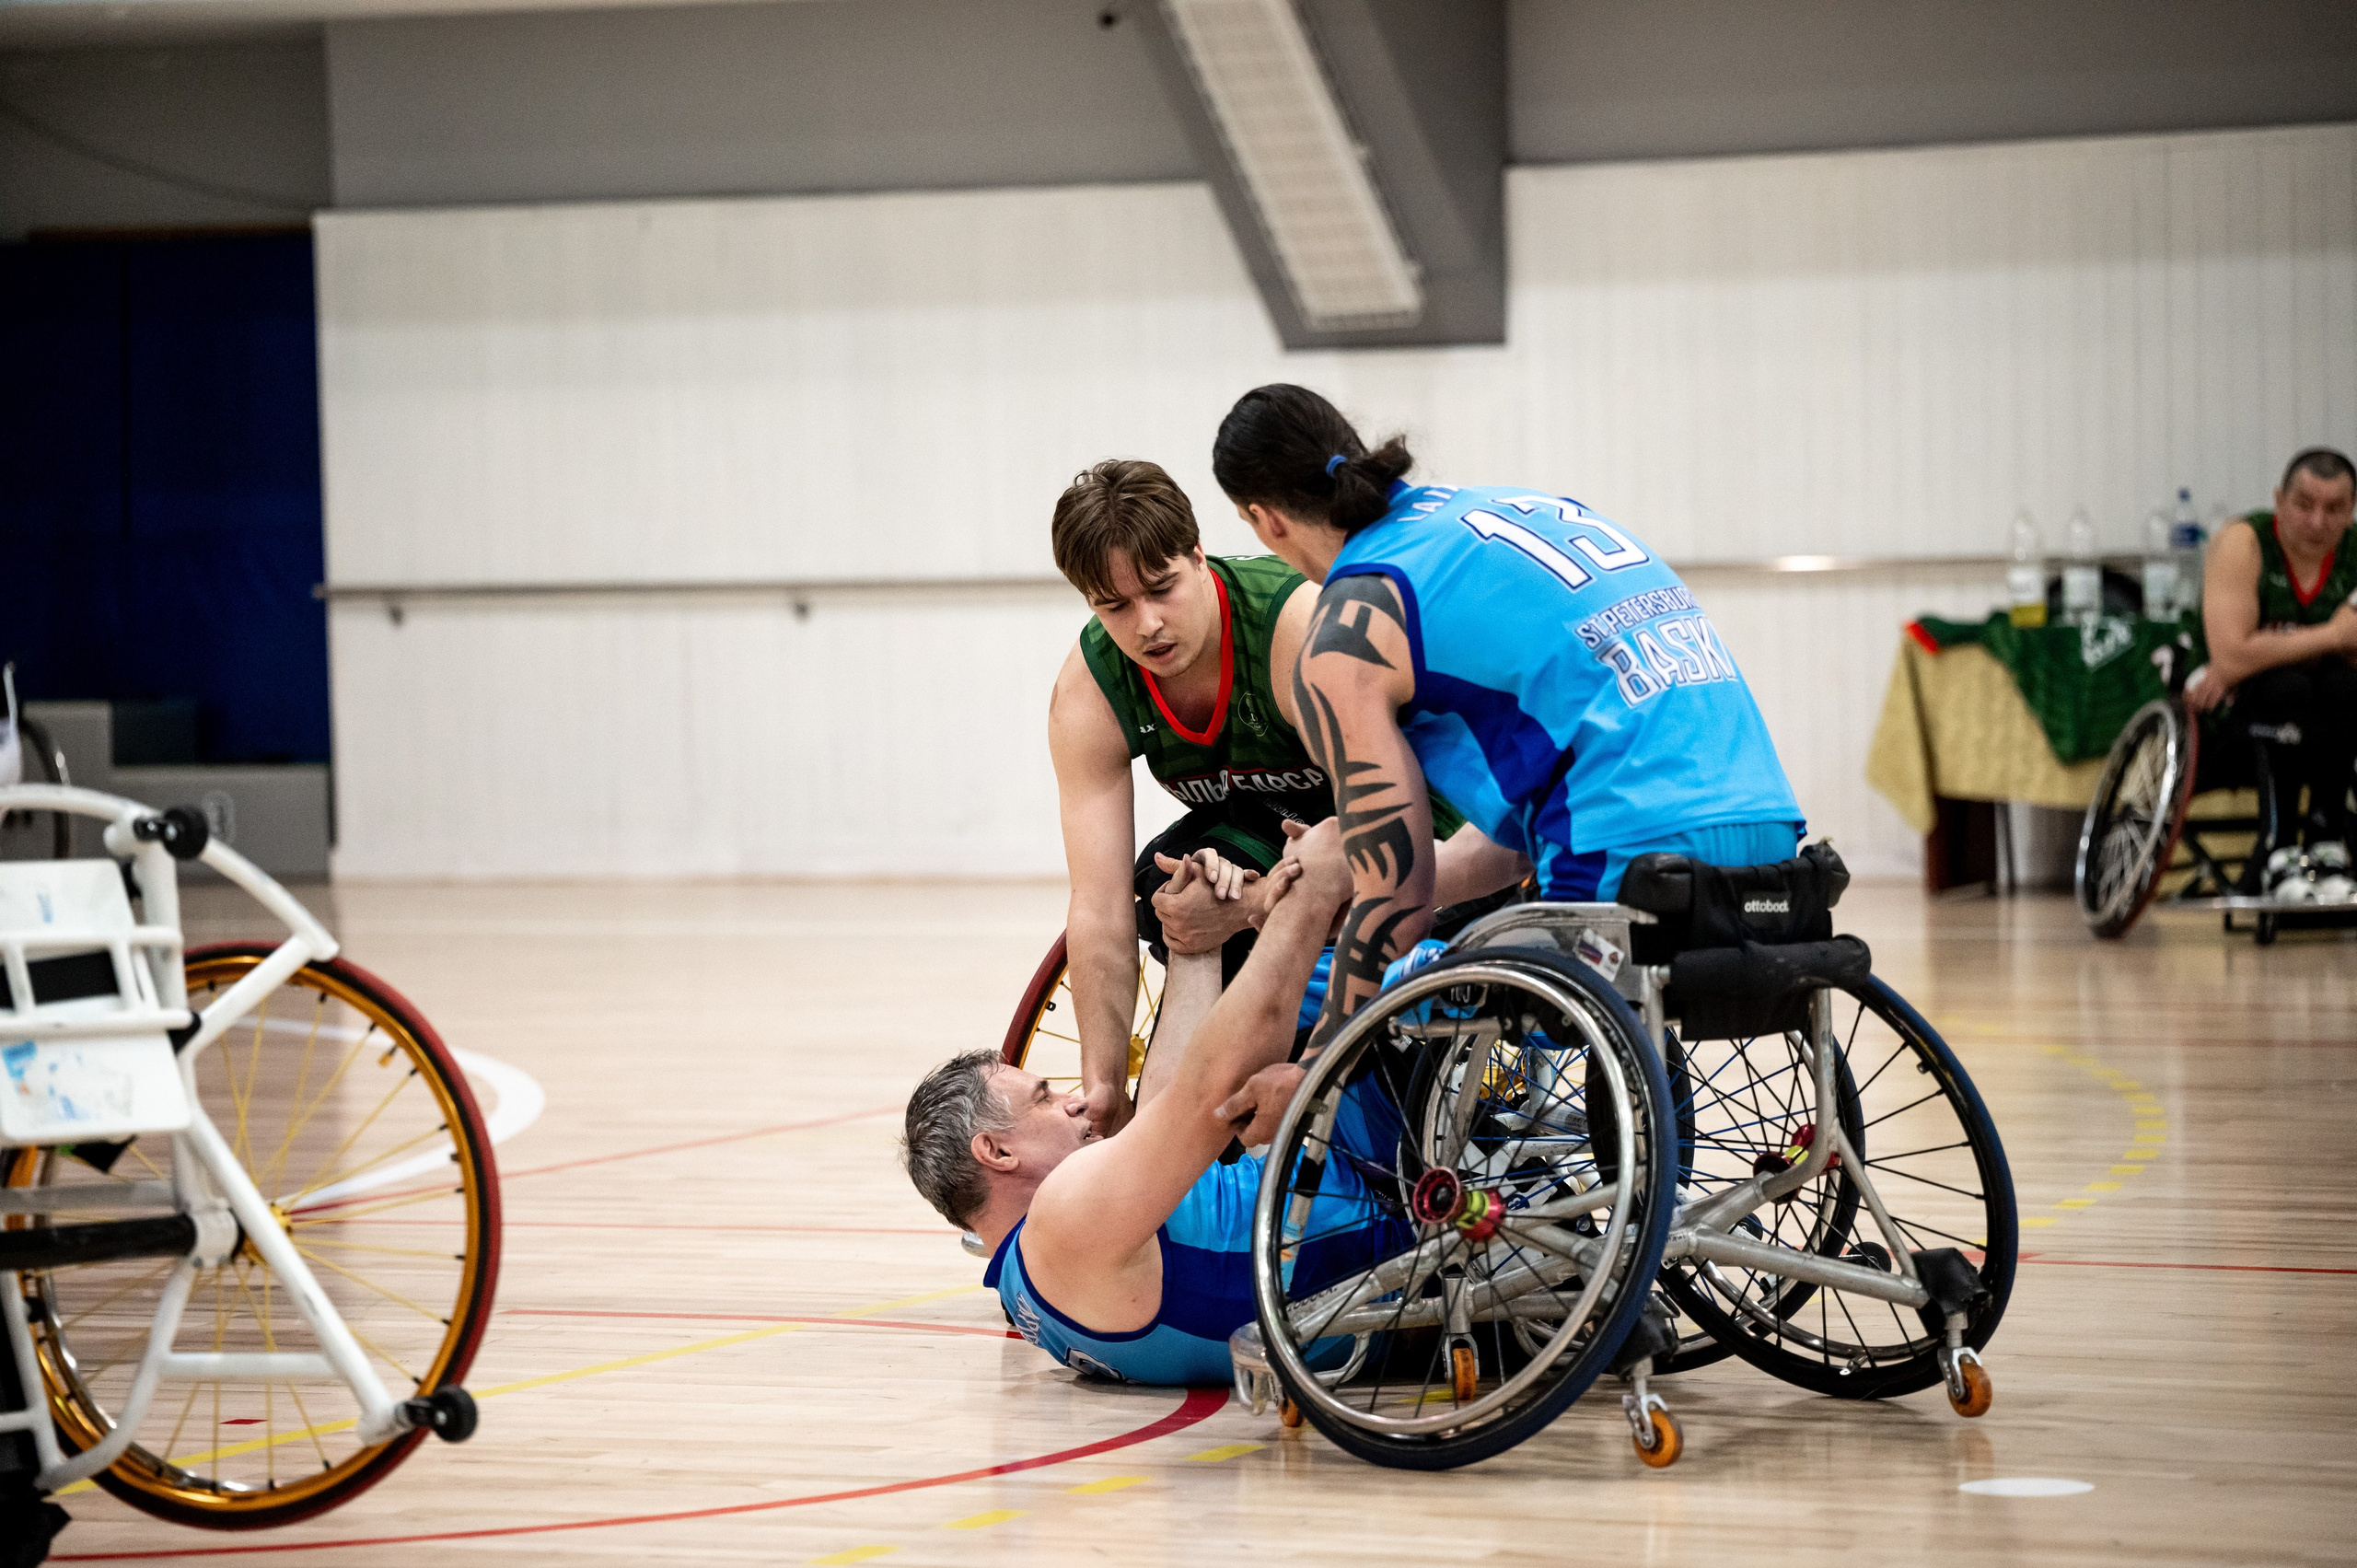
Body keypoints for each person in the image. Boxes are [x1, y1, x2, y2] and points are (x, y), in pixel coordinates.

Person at [1202, 385, 1805, 1115]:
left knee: (1400, 985)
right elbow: (1510, 846)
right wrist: (1357, 883)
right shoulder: (1502, 510)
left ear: (1262, 519)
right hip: (1773, 847)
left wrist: (1317, 1067)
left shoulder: (1349, 625)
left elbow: (1401, 900)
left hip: (1626, 871)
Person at [1046, 459, 1507, 1139]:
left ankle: (1382, 1121)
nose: (1147, 624)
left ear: (1198, 556)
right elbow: (1098, 905)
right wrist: (1103, 1083)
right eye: (1114, 606)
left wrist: (1256, 905)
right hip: (1282, 831)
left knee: (1238, 912)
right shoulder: (1090, 691)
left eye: (1161, 588)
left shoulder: (1293, 629)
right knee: (1167, 881)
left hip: (1415, 821)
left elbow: (1374, 829)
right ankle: (1209, 1161)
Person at [900, 819, 1405, 1384]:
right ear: (995, 1150)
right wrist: (1308, 890)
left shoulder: (1032, 1289)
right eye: (1043, 1099)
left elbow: (1170, 1109)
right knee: (1390, 953)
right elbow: (1217, 1090)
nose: (1074, 1102)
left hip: (1378, 1240)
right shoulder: (1063, 1223)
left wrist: (1193, 944)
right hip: (1395, 1209)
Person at [2184, 447, 2357, 902]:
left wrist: (2273, 646)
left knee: (2345, 686)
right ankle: (2278, 851)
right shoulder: (2243, 542)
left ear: (2351, 513)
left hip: (2322, 715)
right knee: (2288, 686)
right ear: (2279, 500)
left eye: (2335, 509)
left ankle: (2327, 842)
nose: (2318, 521)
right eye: (2304, 505)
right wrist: (2335, 635)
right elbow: (2232, 659)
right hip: (2229, 723)